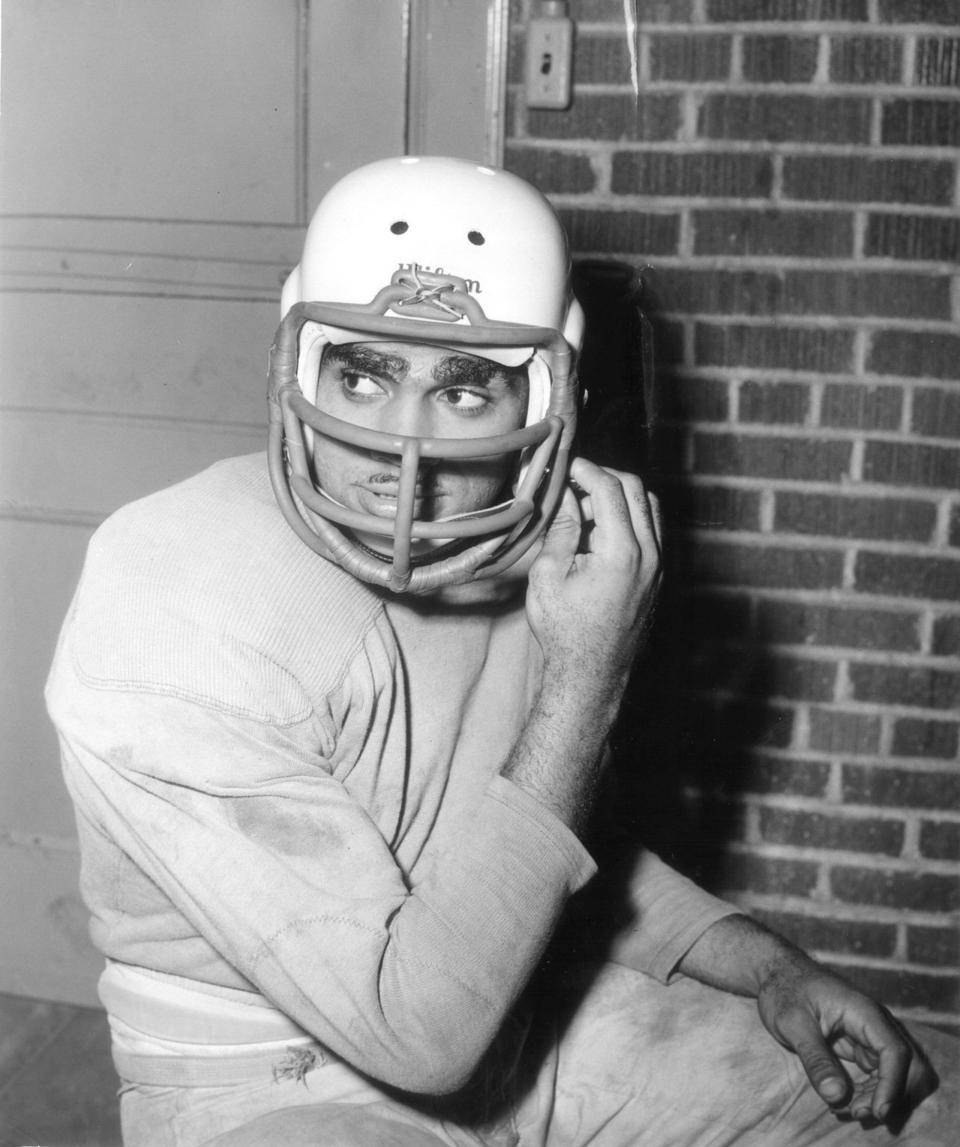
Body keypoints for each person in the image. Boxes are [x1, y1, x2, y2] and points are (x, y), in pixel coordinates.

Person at [47, 156, 956, 1147]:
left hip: (519, 1030)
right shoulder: (171, 583)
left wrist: (767, 965)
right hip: (267, 1084)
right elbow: (420, 1032)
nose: (407, 450)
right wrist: (588, 674)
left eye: (467, 391)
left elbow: (526, 847)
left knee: (920, 1099)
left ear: (542, 396)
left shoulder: (518, 549)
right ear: (298, 362)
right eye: (364, 373)